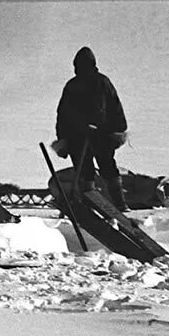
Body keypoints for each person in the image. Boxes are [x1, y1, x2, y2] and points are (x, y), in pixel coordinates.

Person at [55, 46, 130, 212]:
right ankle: (90, 204)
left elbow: (114, 107)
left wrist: (117, 130)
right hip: (77, 137)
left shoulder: (102, 82)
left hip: (101, 135)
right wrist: (63, 138)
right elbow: (63, 114)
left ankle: (119, 204)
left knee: (107, 167)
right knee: (85, 171)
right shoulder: (72, 85)